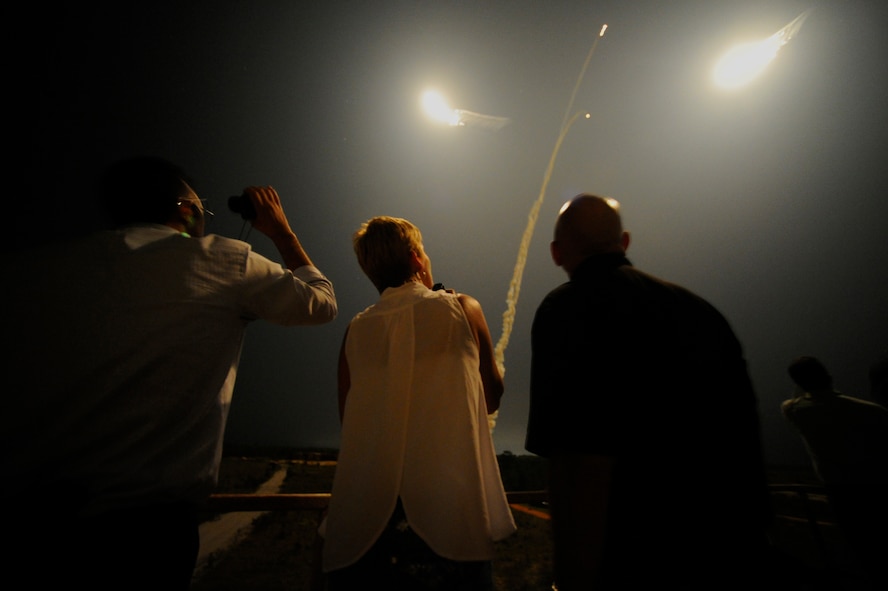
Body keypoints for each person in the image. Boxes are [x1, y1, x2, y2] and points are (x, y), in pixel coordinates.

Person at [4, 156, 337, 589]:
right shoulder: (225, 260)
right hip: (147, 534)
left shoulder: (38, 271)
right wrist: (280, 230)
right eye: (202, 210)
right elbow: (321, 302)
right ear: (185, 210)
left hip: (36, 516)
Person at [525, 194, 774, 590]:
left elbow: (577, 460)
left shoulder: (567, 308)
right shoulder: (702, 312)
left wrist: (571, 578)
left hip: (635, 561)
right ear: (624, 242)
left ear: (556, 253)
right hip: (731, 554)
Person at [319, 216, 516, 590]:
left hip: (365, 522)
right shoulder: (462, 308)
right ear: (415, 259)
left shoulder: (355, 331)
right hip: (447, 519)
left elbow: (350, 421)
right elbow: (491, 398)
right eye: (424, 252)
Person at [781, 356, 888, 589]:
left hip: (840, 493)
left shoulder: (796, 411)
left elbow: (791, 401)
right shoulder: (873, 411)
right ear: (828, 376)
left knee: (864, 551)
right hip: (878, 488)